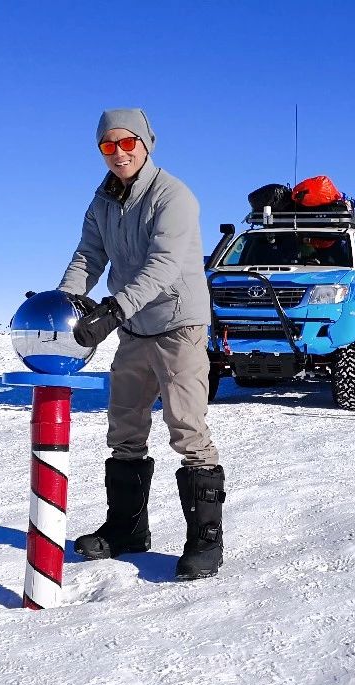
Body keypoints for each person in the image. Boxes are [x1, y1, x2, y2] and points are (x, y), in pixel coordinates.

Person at [57, 108, 226, 579]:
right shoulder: (103, 200)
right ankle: (127, 528)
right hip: (134, 328)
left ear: (146, 144)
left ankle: (205, 541)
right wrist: (67, 298)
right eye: (107, 146)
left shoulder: (174, 195)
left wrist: (112, 309)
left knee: (187, 428)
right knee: (124, 428)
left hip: (177, 325)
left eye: (127, 143)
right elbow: (88, 255)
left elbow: (165, 264)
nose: (118, 153)